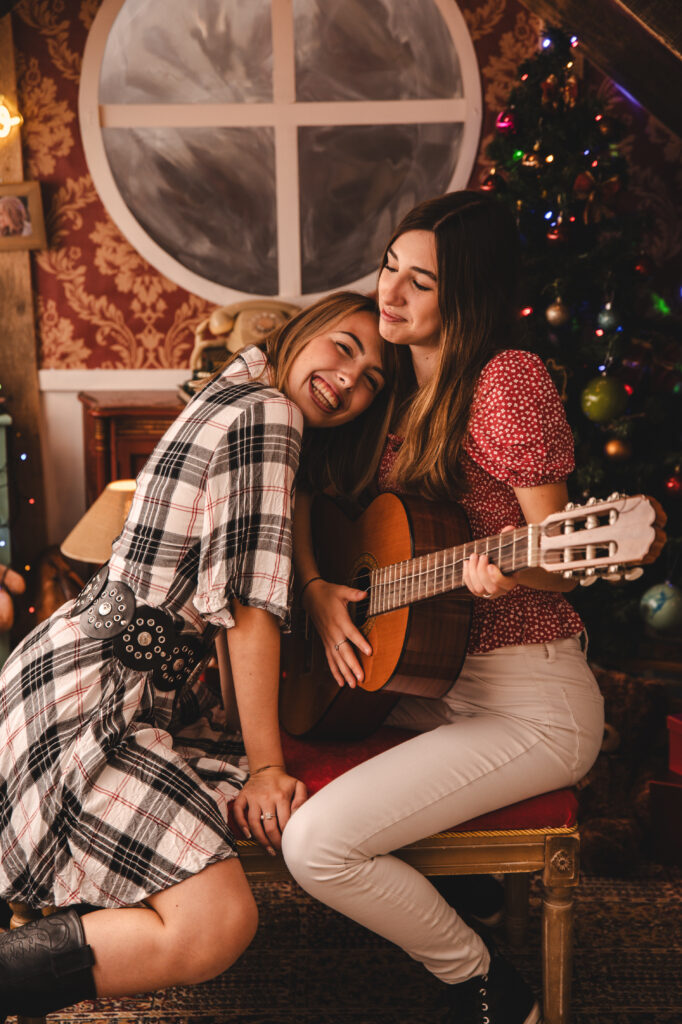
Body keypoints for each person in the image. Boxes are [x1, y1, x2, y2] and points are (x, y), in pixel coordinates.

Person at [0, 291, 394, 1020]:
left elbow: (285, 508)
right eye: (345, 346)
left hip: (62, 671)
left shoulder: (243, 390)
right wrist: (270, 767)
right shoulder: (270, 416)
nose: (352, 379)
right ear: (305, 330)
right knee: (216, 923)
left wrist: (309, 583)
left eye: (373, 377)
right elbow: (246, 609)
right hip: (95, 703)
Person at [282, 192, 605, 1024]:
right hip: (431, 688)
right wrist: (318, 591)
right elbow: (308, 496)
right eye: (391, 266)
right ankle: (473, 897)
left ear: (464, 297)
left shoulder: (505, 381)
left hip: (529, 705)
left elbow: (561, 560)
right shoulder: (390, 390)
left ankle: (486, 981)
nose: (389, 293)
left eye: (419, 283)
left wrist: (515, 576)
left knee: (317, 845)